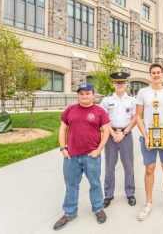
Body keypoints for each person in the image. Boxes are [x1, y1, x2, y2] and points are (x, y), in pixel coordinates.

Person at [53, 84, 111, 230]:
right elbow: (62, 128)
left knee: (95, 183)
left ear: (93, 95)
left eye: (87, 93)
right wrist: (63, 148)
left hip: (91, 156)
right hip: (71, 156)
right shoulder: (70, 110)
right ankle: (70, 212)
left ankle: (98, 208)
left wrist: (99, 150)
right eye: (81, 94)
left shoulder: (99, 111)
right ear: (78, 95)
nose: (84, 96)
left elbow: (106, 131)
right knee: (71, 185)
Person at [135, 63, 163, 224]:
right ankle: (148, 203)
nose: (156, 75)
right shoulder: (142, 92)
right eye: (153, 73)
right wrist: (145, 135)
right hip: (148, 138)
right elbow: (138, 116)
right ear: (150, 75)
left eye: (158, 72)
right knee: (149, 169)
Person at [100, 71, 137, 208]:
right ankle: (108, 194)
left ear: (126, 84)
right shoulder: (106, 101)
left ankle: (130, 193)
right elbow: (103, 120)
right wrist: (112, 132)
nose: (120, 84)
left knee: (129, 166)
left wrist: (124, 132)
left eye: (122, 82)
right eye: (117, 82)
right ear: (113, 84)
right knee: (109, 166)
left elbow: (135, 119)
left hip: (126, 135)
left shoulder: (132, 100)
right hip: (110, 135)